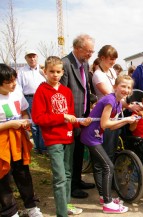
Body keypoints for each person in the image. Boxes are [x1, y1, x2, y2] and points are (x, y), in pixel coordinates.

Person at [32, 56, 92, 216]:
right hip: (53, 140)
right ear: (45, 71)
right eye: (51, 71)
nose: (55, 75)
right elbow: (38, 118)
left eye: (58, 71)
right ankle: (62, 213)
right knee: (59, 177)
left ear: (62, 72)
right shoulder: (41, 91)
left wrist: (80, 122)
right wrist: (62, 117)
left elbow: (71, 115)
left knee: (67, 174)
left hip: (68, 137)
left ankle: (66, 205)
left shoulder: (66, 91)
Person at [81, 75, 135, 214]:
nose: (126, 89)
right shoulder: (110, 100)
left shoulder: (118, 103)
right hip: (91, 136)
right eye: (123, 86)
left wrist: (127, 121)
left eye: (129, 87)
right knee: (108, 166)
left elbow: (111, 127)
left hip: (97, 136)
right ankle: (107, 203)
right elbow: (104, 123)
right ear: (115, 86)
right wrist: (127, 119)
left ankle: (103, 197)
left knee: (103, 166)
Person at [0, 64, 43, 217]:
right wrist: (10, 124)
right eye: (9, 82)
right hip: (2, 143)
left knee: (23, 173)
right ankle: (10, 211)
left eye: (14, 80)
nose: (13, 84)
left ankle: (31, 206)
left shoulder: (17, 93)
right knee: (3, 177)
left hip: (18, 140)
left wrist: (24, 120)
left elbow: (24, 111)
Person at [60, 34, 96, 199]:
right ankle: (72, 187)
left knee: (80, 150)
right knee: (72, 153)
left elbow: (85, 87)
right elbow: (63, 93)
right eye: (88, 51)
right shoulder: (65, 64)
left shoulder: (84, 62)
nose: (90, 54)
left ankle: (78, 179)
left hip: (83, 115)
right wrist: (70, 116)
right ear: (77, 48)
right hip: (72, 117)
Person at [17, 50, 46, 155]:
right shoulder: (22, 71)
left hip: (42, 99)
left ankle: (43, 148)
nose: (32, 59)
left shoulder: (43, 70)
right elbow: (19, 87)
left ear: (37, 57)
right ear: (26, 59)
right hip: (28, 98)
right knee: (33, 124)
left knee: (42, 123)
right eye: (29, 57)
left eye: (34, 56)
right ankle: (37, 147)